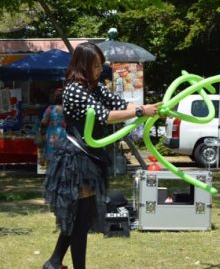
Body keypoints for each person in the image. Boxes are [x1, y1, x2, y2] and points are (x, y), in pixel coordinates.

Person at [42, 42, 161, 269]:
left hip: (91, 156)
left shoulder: (95, 87)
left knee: (83, 218)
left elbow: (119, 103)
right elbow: (104, 115)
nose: (99, 70)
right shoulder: (74, 89)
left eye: (100, 65)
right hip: (75, 158)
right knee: (79, 217)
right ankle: (56, 261)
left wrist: (149, 108)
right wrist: (139, 112)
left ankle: (55, 262)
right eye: (95, 65)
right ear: (83, 65)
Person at [40, 88, 67, 164]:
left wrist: (42, 132)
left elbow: (44, 122)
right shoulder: (67, 109)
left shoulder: (50, 108)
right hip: (64, 134)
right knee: (63, 155)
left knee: (51, 156)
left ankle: (52, 173)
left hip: (52, 134)